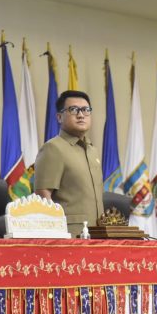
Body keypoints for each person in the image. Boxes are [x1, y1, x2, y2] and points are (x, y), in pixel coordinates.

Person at [34, 90, 103, 237]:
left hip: (97, 233)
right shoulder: (53, 148)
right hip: (69, 234)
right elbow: (43, 196)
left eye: (85, 110)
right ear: (59, 117)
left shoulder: (93, 150)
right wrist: (56, 233)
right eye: (73, 109)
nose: (81, 115)